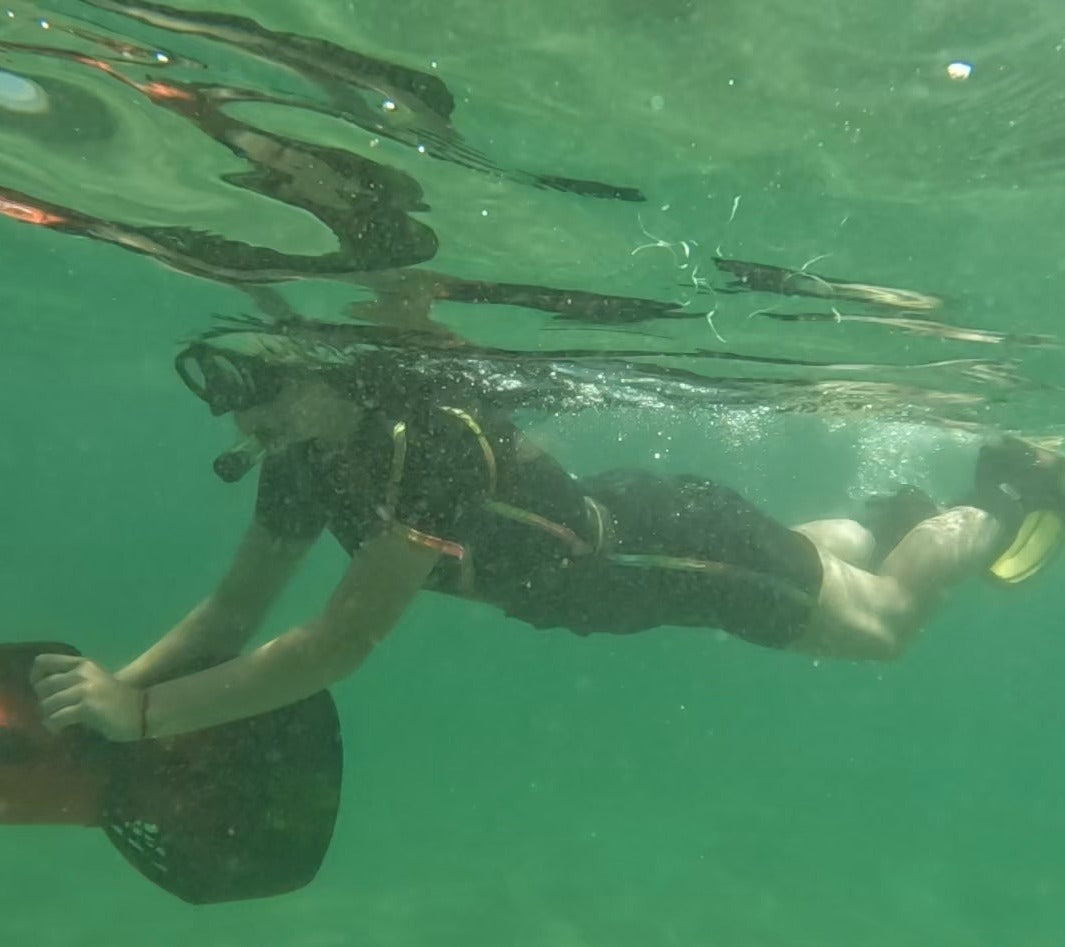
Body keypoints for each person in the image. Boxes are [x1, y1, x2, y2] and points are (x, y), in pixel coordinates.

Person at [28, 332, 1065, 743]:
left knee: (884, 623)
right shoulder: (304, 462)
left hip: (658, 553)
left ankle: (1001, 500)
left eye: (265, 391)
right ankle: (888, 518)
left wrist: (149, 714)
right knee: (798, 560)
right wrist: (113, 691)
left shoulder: (423, 446)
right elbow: (232, 613)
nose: (241, 422)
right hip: (639, 538)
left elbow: (336, 643)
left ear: (328, 367)